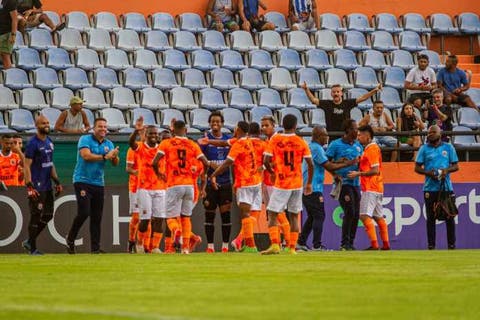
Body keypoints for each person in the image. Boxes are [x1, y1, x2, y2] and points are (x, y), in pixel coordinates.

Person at [153, 120, 210, 254]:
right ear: (186, 130)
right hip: (189, 185)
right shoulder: (192, 144)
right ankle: (185, 248)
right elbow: (205, 163)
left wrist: (159, 173)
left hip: (174, 184)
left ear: (172, 130)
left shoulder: (166, 143)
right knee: (185, 217)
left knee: (170, 218)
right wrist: (205, 173)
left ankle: (176, 231)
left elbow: (154, 162)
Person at [297, 126, 357, 251]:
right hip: (312, 187)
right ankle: (317, 245)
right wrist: (347, 163)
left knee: (313, 216)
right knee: (319, 216)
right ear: (319, 136)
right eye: (325, 135)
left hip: (309, 187)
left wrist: (335, 172)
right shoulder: (317, 149)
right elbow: (328, 164)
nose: (327, 137)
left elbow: (325, 165)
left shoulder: (315, 148)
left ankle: (301, 242)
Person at [66, 118, 120, 254]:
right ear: (94, 129)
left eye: (105, 127)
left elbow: (115, 163)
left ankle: (95, 248)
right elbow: (86, 156)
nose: (103, 129)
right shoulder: (85, 139)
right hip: (82, 180)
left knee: (97, 216)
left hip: (98, 182)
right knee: (84, 212)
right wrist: (105, 156)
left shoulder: (109, 143)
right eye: (100, 126)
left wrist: (114, 156)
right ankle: (70, 238)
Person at [262, 114, 314, 255]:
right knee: (294, 216)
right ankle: (292, 248)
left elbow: (266, 161)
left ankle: (275, 245)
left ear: (282, 125)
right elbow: (310, 163)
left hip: (282, 183)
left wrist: (272, 172)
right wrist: (308, 183)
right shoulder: (301, 141)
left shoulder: (276, 139)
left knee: (272, 214)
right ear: (295, 126)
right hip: (297, 183)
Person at [210, 121, 261, 252]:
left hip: (245, 182)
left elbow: (228, 163)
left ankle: (250, 245)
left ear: (238, 129)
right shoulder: (248, 140)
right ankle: (243, 242)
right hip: (256, 181)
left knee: (245, 214)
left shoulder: (238, 144)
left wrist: (213, 174)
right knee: (252, 213)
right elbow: (223, 143)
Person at [22, 116, 63, 255]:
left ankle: (29, 241)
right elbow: (26, 166)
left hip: (47, 184)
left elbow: (50, 164)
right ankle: (32, 248)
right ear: (36, 125)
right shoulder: (32, 143)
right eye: (43, 123)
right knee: (36, 215)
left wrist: (57, 181)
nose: (46, 125)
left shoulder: (50, 142)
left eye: (47, 123)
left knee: (48, 215)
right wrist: (29, 186)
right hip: (37, 186)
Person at [414, 125, 459, 250]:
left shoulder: (448, 147)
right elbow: (417, 168)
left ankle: (451, 245)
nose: (430, 134)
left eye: (433, 132)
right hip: (429, 188)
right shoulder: (424, 148)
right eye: (429, 132)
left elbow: (455, 166)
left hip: (446, 188)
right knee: (430, 218)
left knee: (449, 216)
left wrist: (446, 171)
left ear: (440, 133)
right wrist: (429, 173)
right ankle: (431, 245)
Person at [347, 125, 390, 251]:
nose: (358, 137)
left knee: (364, 216)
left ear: (367, 136)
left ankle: (375, 245)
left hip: (370, 186)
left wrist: (358, 174)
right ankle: (386, 244)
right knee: (378, 217)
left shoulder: (371, 149)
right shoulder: (371, 149)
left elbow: (375, 170)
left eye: (360, 135)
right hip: (378, 186)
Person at [128, 117, 168, 254]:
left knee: (159, 219)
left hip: (160, 188)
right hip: (144, 188)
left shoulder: (162, 148)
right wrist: (136, 131)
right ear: (146, 135)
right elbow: (131, 143)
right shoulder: (140, 147)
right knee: (144, 219)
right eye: (151, 133)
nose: (154, 136)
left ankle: (155, 246)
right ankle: (139, 244)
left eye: (155, 134)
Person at [199, 111, 233, 253]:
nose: (215, 124)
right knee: (210, 214)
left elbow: (233, 160)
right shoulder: (205, 141)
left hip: (225, 182)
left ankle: (225, 246)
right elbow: (201, 160)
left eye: (218, 121)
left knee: (226, 215)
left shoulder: (228, 140)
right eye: (213, 121)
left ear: (222, 123)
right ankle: (210, 246)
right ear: (209, 123)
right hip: (209, 183)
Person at [326, 119, 363, 250]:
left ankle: (351, 243)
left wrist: (360, 171)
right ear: (347, 130)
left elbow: (362, 163)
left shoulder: (358, 146)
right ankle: (344, 243)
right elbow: (327, 163)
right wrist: (335, 175)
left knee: (356, 214)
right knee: (349, 211)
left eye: (357, 129)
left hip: (356, 183)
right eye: (354, 129)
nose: (357, 131)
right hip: (343, 183)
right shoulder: (335, 145)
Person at [302, 82, 382, 133]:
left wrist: (375, 90)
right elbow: (313, 100)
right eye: (333, 92)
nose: (336, 94)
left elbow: (363, 98)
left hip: (346, 134)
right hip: (332, 135)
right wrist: (306, 89)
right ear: (331, 94)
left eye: (338, 92)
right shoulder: (327, 104)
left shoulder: (347, 103)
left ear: (341, 93)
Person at [126, 143, 140, 253]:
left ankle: (143, 246)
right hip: (136, 187)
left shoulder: (155, 148)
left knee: (148, 218)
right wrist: (140, 173)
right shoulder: (133, 149)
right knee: (136, 217)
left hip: (151, 187)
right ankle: (131, 241)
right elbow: (128, 169)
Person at [0, 0, 18, 69]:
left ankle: (9, 77)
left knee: (5, 56)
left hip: (6, 33)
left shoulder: (10, 1)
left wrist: (13, 35)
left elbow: (15, 19)